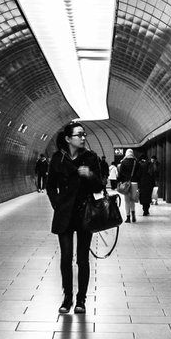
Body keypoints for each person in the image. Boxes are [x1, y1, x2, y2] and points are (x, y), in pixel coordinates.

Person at [46, 122, 104, 314]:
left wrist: (89, 175)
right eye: (78, 135)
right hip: (64, 214)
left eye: (83, 134)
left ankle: (81, 300)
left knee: (82, 259)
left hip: (84, 213)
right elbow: (50, 186)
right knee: (65, 258)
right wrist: (58, 205)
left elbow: (98, 187)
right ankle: (67, 298)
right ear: (68, 138)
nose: (83, 137)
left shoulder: (91, 158)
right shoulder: (57, 159)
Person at [117, 148, 138, 223]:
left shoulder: (124, 162)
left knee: (127, 201)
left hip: (126, 183)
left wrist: (119, 181)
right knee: (132, 200)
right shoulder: (136, 162)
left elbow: (120, 173)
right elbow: (139, 173)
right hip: (134, 183)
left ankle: (128, 217)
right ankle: (133, 215)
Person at [138, 153, 156, 217]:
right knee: (148, 196)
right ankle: (147, 209)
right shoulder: (150, 164)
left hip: (142, 183)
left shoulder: (139, 165)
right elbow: (153, 174)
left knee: (143, 196)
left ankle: (144, 209)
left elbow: (138, 175)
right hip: (149, 183)